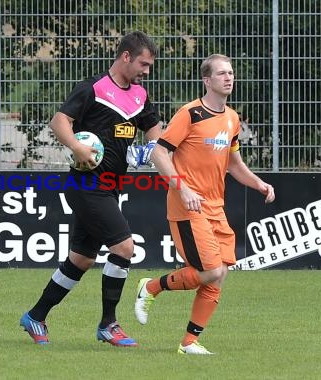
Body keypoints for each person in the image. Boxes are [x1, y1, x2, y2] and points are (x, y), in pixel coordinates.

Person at [20, 31, 162, 347]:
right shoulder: (93, 89)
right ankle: (108, 324)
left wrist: (150, 147)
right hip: (86, 184)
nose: (146, 70)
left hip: (111, 187)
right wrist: (77, 147)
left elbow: (153, 127)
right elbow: (59, 122)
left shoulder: (139, 96)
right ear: (126, 57)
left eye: (149, 65)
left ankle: (35, 315)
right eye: (143, 63)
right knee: (124, 248)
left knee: (82, 259)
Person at [134, 54, 275, 354]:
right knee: (211, 271)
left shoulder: (232, 118)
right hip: (187, 205)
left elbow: (234, 164)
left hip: (215, 207)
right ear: (206, 80)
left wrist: (258, 183)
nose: (229, 78)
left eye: (231, 73)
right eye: (222, 73)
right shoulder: (190, 113)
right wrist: (182, 189)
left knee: (220, 274)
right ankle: (150, 287)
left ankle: (189, 342)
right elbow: (159, 153)